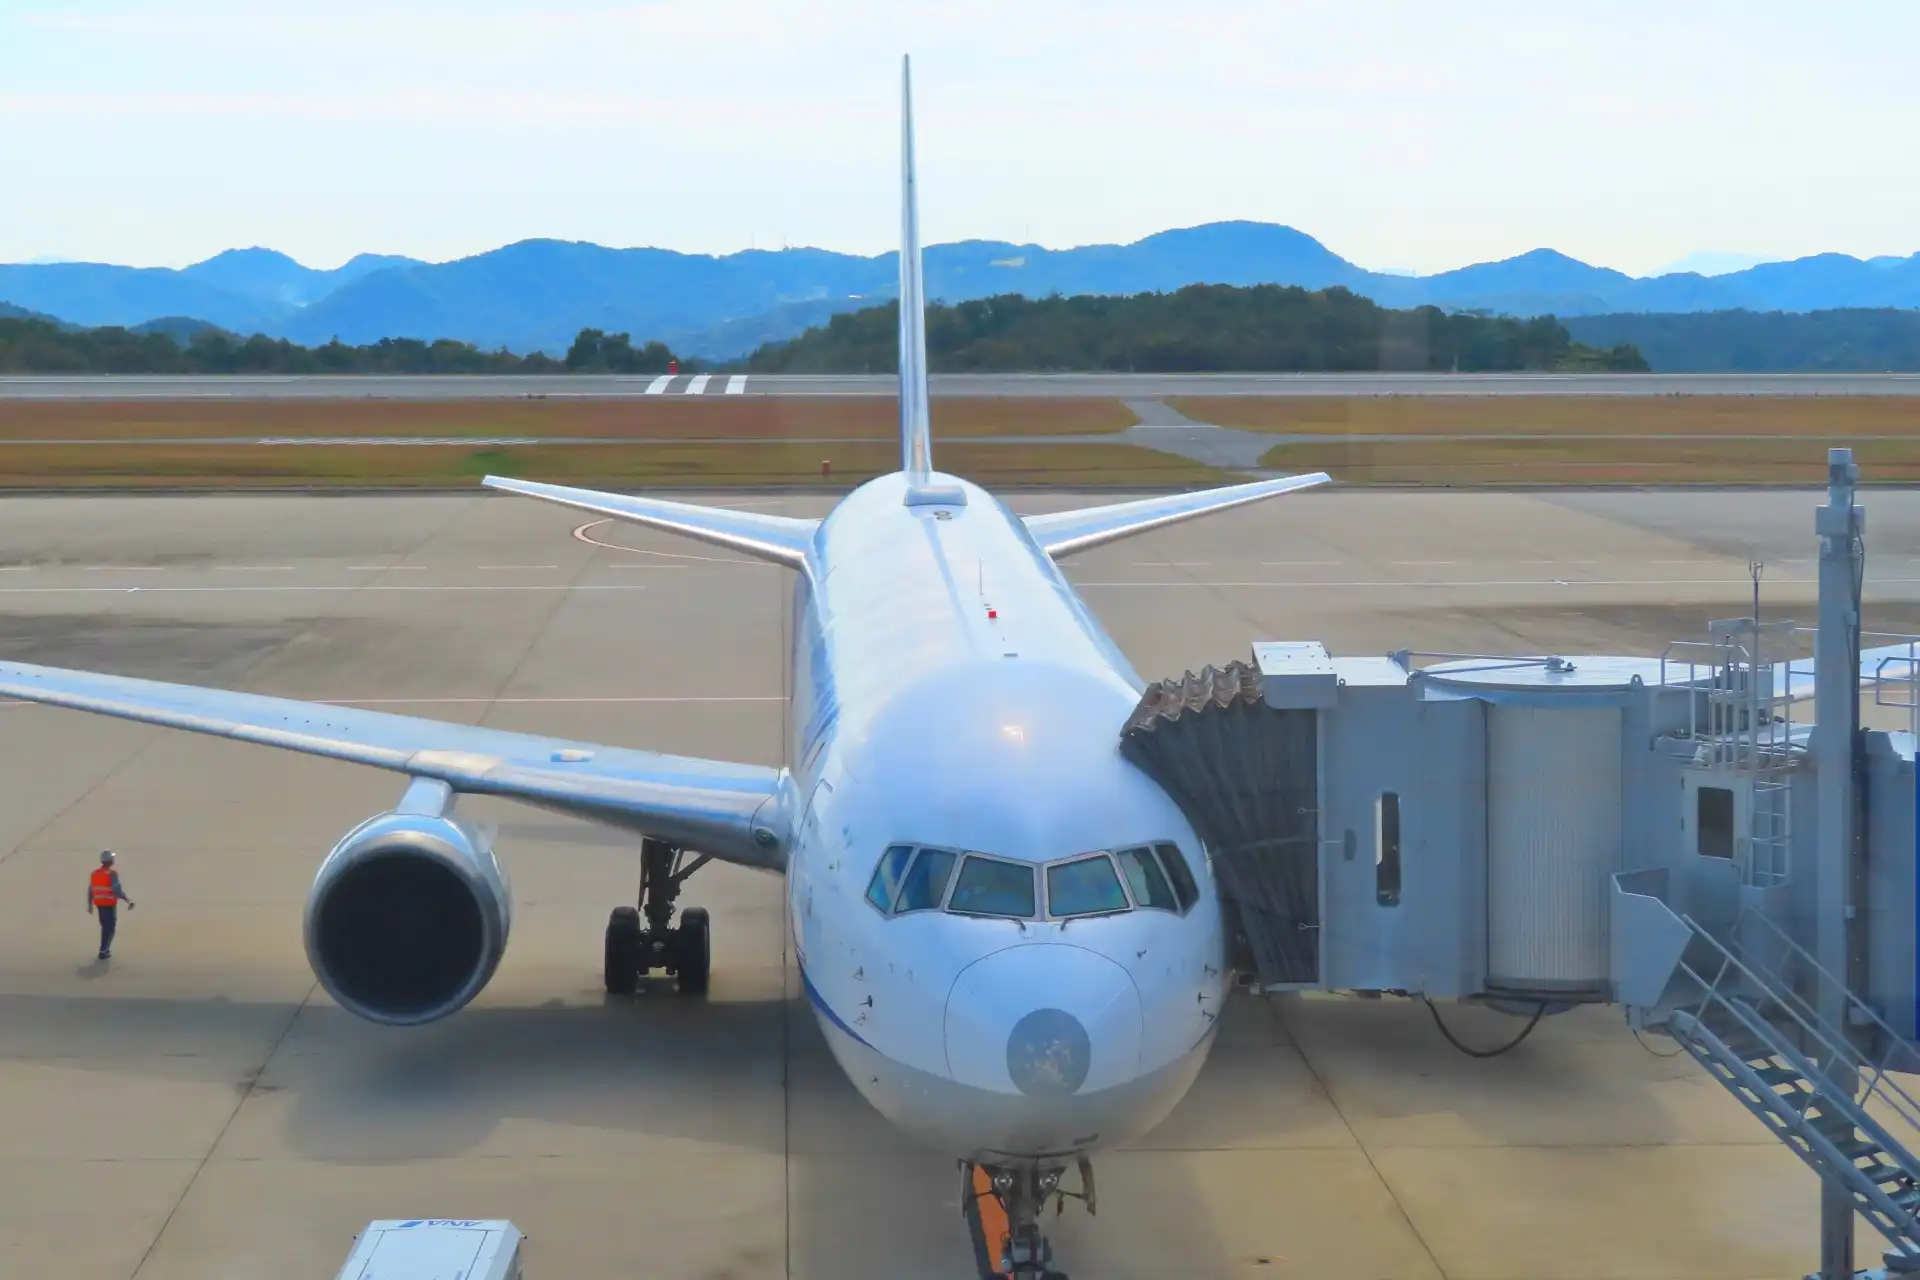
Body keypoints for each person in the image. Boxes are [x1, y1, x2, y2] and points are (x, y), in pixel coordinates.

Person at [86, 850, 134, 960]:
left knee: (105, 927)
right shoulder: (111, 874)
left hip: (99, 905)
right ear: (109, 861)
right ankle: (104, 950)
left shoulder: (95, 873)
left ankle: (104, 949)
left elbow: (91, 889)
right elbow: (116, 890)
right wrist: (128, 900)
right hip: (109, 904)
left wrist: (90, 904)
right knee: (110, 928)